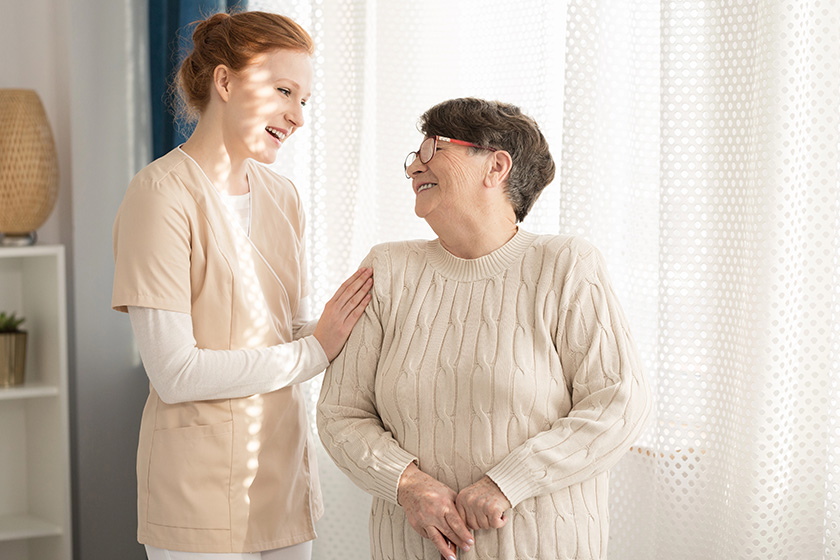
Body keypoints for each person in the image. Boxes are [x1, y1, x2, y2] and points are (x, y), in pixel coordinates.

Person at [317, 97, 652, 560]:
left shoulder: (566, 265)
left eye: (433, 148)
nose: (414, 167)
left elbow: (618, 404)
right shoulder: (388, 268)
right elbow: (340, 412)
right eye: (414, 155)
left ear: (496, 167)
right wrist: (408, 484)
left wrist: (507, 481)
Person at [112, 11, 373, 560]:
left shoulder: (284, 197)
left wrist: (364, 323)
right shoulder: (160, 196)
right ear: (225, 82)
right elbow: (176, 373)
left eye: (304, 100)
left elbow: (290, 332)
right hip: (199, 493)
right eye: (283, 90)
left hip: (284, 480)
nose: (297, 116)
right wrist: (317, 347)